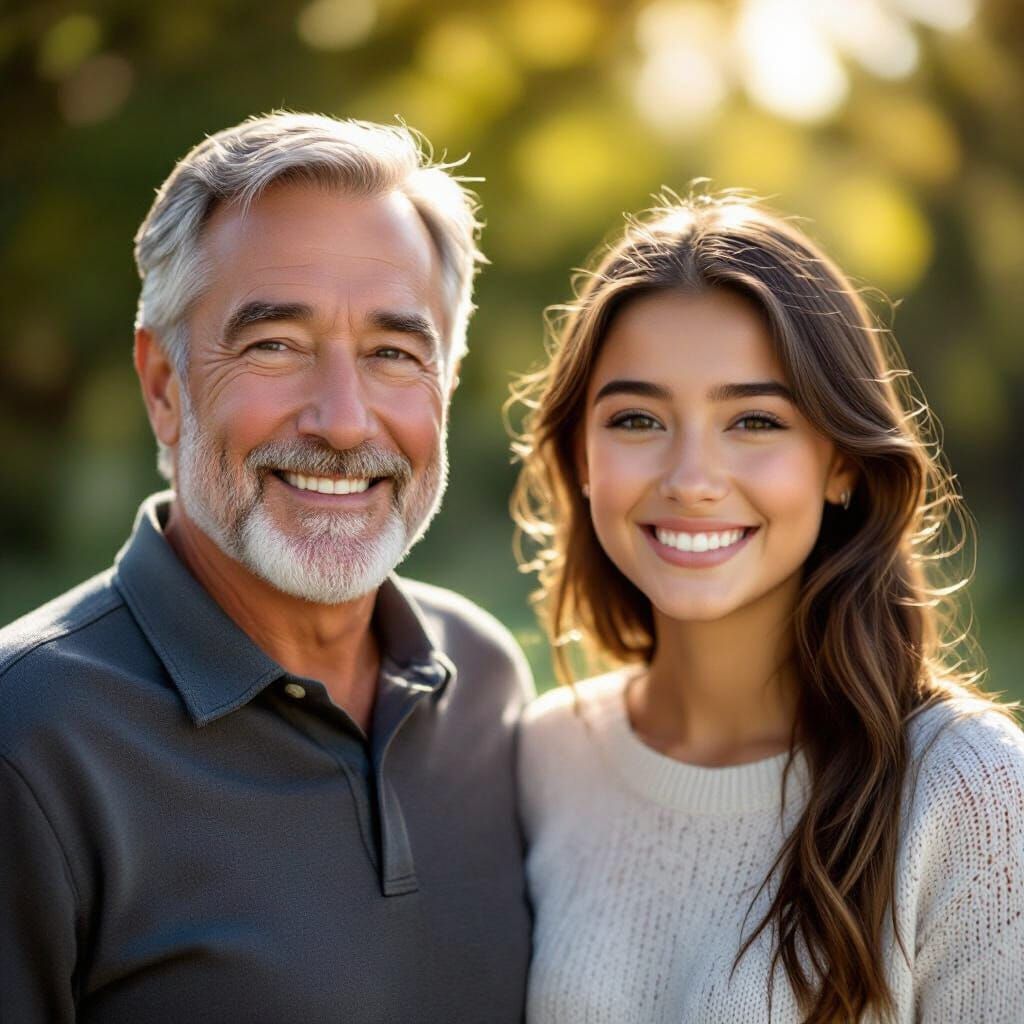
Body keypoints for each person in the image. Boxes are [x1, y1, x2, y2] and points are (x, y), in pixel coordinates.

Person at [0, 112, 533, 1023]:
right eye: (274, 345)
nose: (343, 420)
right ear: (164, 385)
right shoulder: (28, 738)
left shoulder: (485, 683)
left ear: (445, 384)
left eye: (394, 354)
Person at [512, 192, 1024, 1023]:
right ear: (581, 455)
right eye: (637, 419)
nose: (690, 479)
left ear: (843, 464)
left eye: (753, 420)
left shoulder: (968, 791)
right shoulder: (545, 759)